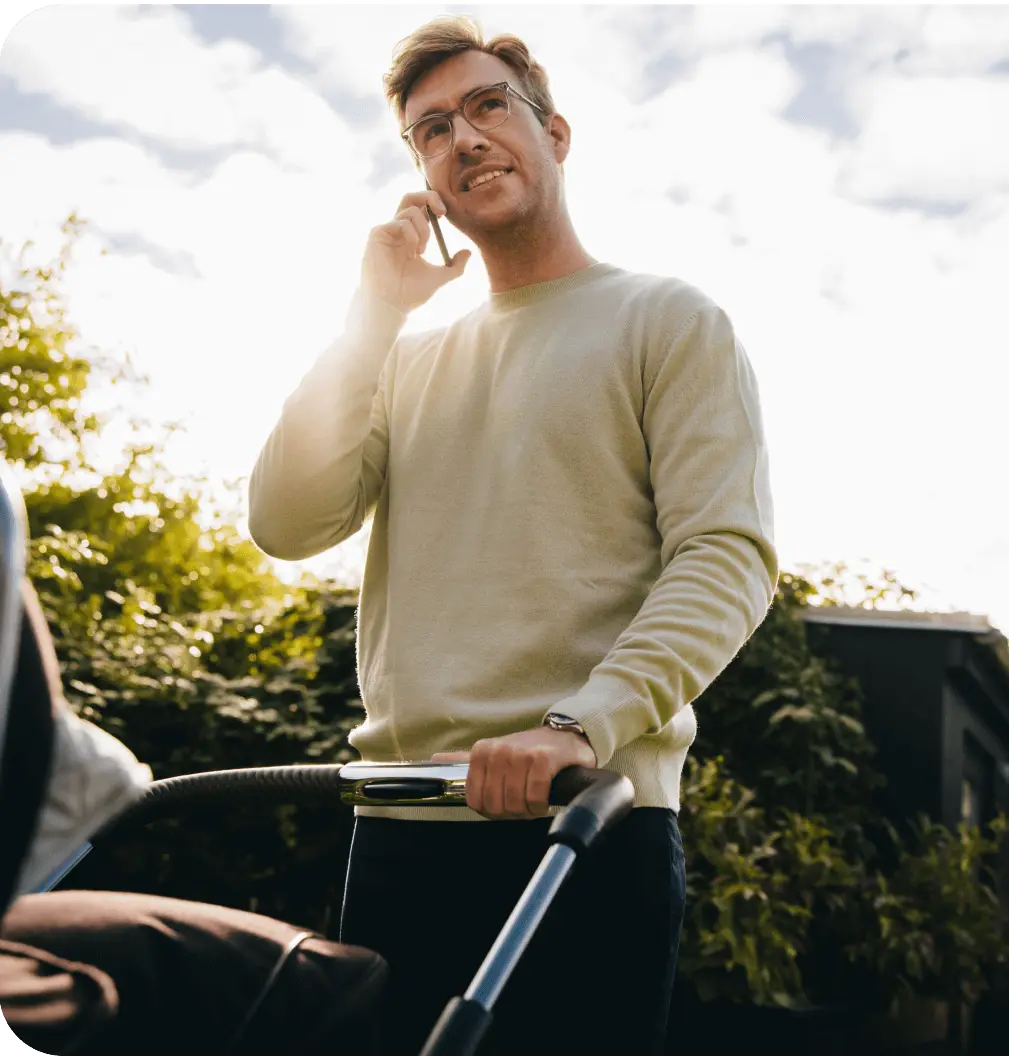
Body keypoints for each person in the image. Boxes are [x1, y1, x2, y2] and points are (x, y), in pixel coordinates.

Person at [247, 14, 778, 1055]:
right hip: (398, 828)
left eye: (489, 106)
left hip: (584, 827)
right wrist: (372, 316)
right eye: (432, 130)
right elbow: (284, 520)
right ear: (424, 179)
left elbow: (727, 557)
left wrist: (578, 727)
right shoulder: (401, 360)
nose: (465, 138)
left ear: (556, 133)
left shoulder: (665, 320)